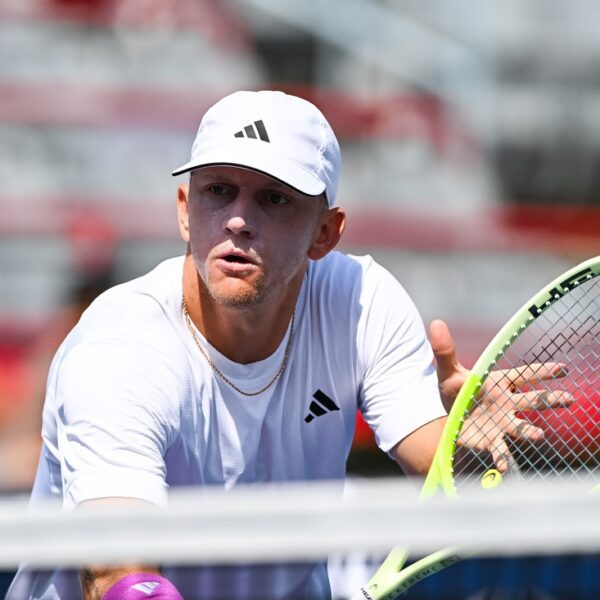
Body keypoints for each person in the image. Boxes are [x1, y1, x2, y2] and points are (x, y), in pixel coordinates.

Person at [6, 90, 557, 600]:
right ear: (184, 208)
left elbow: (443, 472)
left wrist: (472, 452)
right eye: (219, 191)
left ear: (326, 232)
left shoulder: (362, 302)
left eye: (274, 198)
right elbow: (118, 574)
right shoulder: (120, 346)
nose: (239, 220)